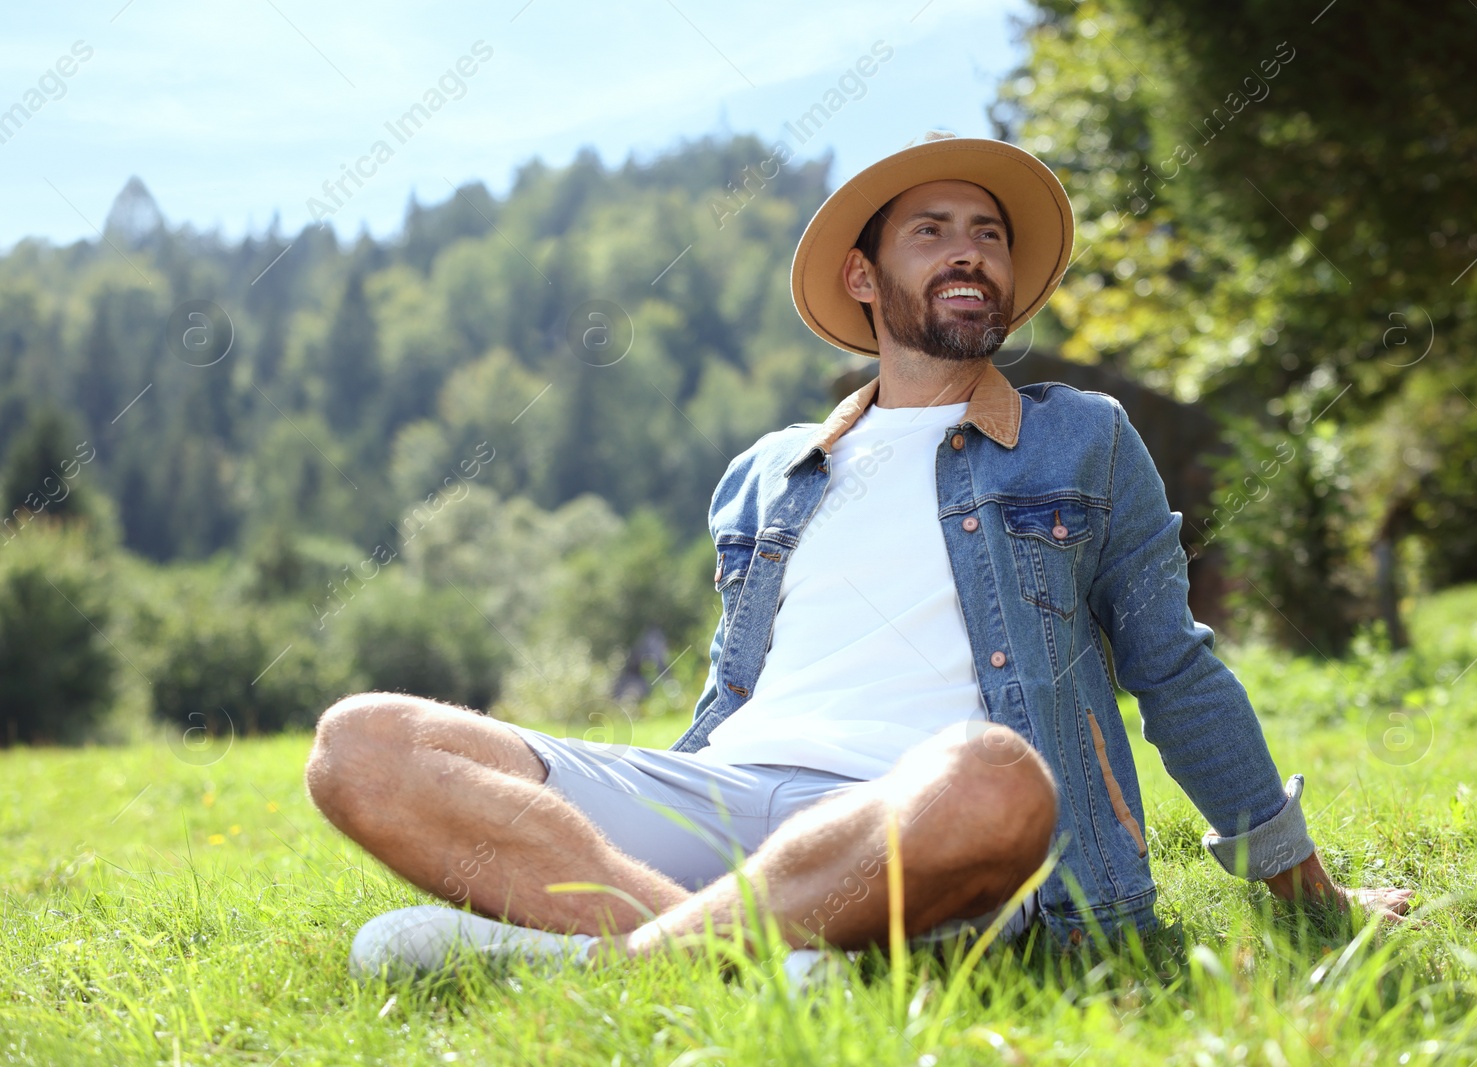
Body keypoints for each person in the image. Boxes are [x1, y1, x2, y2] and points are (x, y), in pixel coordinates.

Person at [305, 132, 1414, 981]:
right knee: (362, 742)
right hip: (729, 797)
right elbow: (728, 688)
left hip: (926, 815)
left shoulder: (1083, 438)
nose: (971, 248)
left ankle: (615, 958)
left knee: (992, 776)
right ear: (864, 278)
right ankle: (738, 952)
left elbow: (1173, 669)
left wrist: (1307, 889)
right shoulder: (768, 471)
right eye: (931, 230)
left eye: (988, 232)